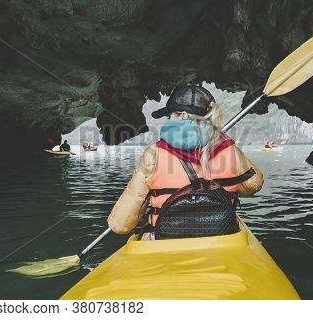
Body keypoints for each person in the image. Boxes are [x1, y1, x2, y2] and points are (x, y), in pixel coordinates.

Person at [107, 85, 264, 239]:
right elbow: (253, 186)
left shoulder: (153, 154)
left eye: (170, 116)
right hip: (222, 236)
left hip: (166, 240)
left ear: (182, 115)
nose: (168, 120)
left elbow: (120, 225)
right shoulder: (230, 150)